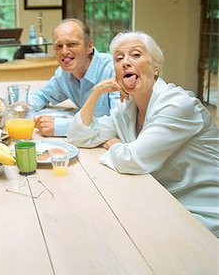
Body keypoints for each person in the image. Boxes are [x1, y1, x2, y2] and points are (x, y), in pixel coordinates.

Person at [67, 31, 219, 236]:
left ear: (156, 66)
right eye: (119, 58)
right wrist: (96, 92)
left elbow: (133, 159)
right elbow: (79, 137)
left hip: (202, 212)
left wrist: (113, 144)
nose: (125, 62)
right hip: (163, 200)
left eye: (136, 55)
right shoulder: (126, 108)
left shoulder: (178, 104)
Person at [29, 19, 119, 136]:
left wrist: (60, 127)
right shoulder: (63, 74)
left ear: (89, 46)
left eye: (72, 44)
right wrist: (22, 108)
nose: (64, 51)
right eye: (59, 46)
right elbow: (42, 95)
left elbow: (118, 123)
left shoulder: (113, 70)